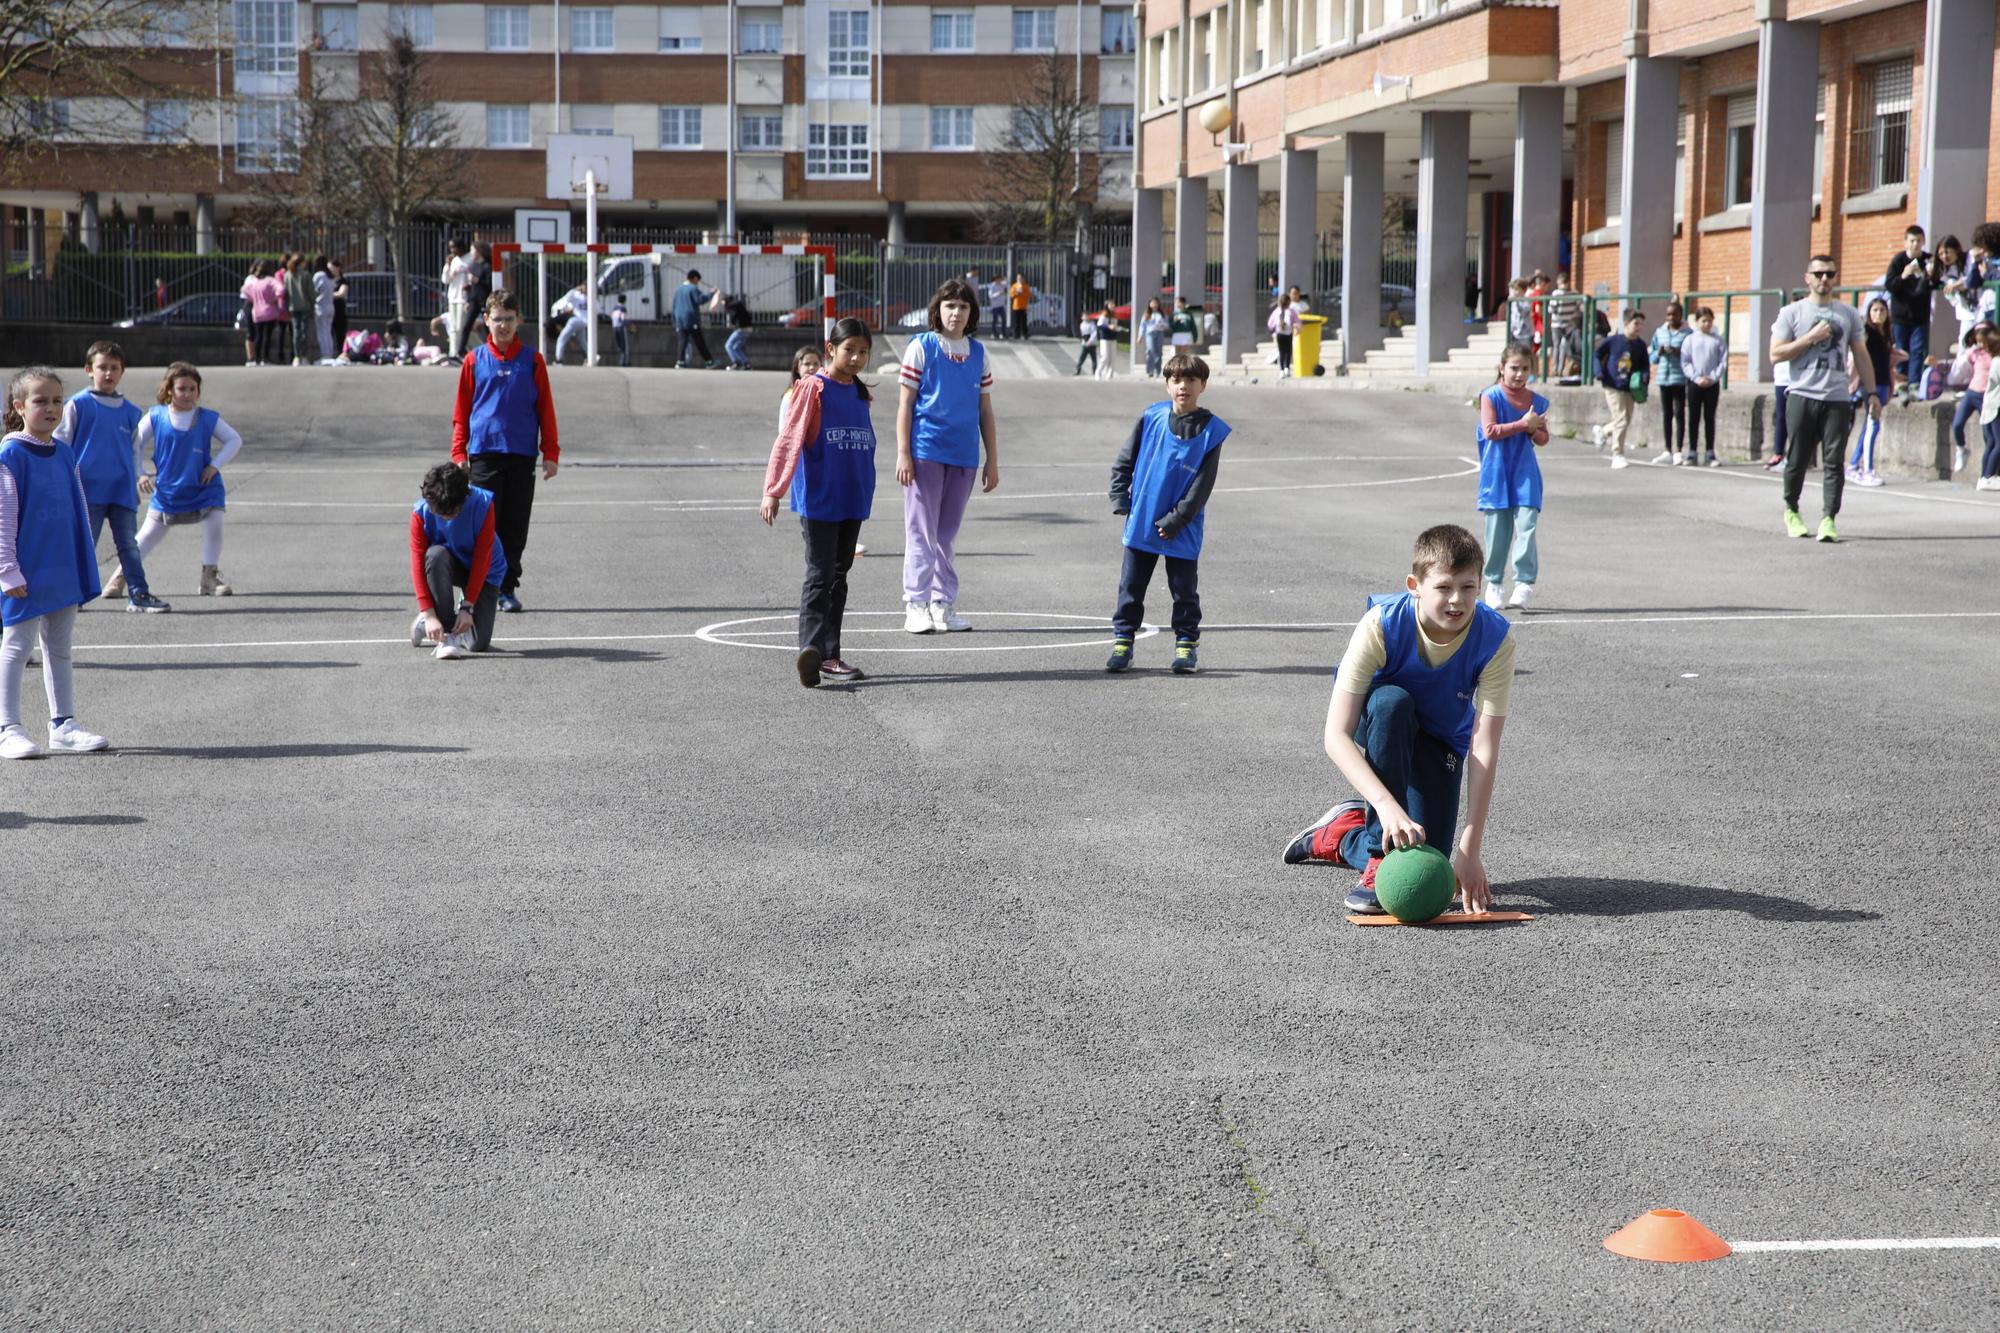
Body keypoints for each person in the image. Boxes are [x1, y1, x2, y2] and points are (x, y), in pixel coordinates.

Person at [1280, 524, 1515, 915]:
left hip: (1439, 737)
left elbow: (1484, 745)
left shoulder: (1495, 640)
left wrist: (1469, 850)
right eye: (1443, 587)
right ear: (1415, 585)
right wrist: (1387, 806)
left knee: (1429, 866)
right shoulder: (1381, 624)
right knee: (1393, 702)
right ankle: (1376, 854)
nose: (1457, 600)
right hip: (1380, 720)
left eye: (1468, 587)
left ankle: (1339, 835)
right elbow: (1335, 735)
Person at [0, 366, 111, 759]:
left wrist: (83, 562)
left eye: (57, 401)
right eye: (40, 401)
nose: (51, 408)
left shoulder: (64, 452)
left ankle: (63, 724)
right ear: (18, 406)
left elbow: (78, 511)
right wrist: (6, 569)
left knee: (59, 647)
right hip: (26, 570)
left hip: (62, 566)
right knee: (16, 646)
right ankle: (7, 728)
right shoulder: (10, 454)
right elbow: (3, 517)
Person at [761, 318, 877, 687]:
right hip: (820, 499)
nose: (857, 358)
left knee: (839, 577)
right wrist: (774, 489)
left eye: (863, 352)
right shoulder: (812, 388)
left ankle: (830, 655)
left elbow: (865, 444)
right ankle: (811, 651)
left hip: (851, 498)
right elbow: (790, 438)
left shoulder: (860, 393)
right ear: (830, 349)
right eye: (849, 350)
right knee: (819, 574)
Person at [1104, 352, 1227, 676]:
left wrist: (1177, 518)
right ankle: (1123, 641)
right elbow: (1124, 460)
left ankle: (1186, 644)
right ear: (1166, 385)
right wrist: (1120, 495)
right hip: (1143, 520)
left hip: (1181, 526)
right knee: (1131, 587)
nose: (1182, 386)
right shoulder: (1151, 417)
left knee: (1184, 589)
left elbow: (1202, 485)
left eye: (1190, 380)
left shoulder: (1211, 431)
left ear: (1203, 385)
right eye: (1175, 380)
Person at [896, 279, 998, 634]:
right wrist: (904, 453)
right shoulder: (922, 347)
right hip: (926, 451)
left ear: (972, 313)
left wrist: (992, 459)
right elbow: (905, 405)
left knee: (947, 534)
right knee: (921, 531)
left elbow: (985, 410)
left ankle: (942, 604)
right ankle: (916, 604)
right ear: (937, 310)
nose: (956, 312)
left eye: (963, 306)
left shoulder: (979, 353)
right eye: (950, 305)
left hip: (964, 455)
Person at [451, 291, 559, 613]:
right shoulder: (474, 361)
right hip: (485, 454)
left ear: (518, 321)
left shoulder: (533, 361)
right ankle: (473, 587)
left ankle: (506, 587)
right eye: (497, 319)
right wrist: (459, 452)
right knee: (483, 525)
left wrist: (550, 451)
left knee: (515, 525)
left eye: (509, 319)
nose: (503, 326)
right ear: (486, 320)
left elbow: (545, 409)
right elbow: (462, 411)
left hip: (521, 454)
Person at [54, 342, 168, 613]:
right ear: (89, 370)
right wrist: (63, 484)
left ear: (122, 372)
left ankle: (139, 593)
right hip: (86, 491)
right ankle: (74, 596)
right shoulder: (78, 405)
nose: (108, 373)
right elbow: (61, 444)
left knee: (129, 544)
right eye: (102, 367)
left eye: (113, 368)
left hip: (121, 491)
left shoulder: (130, 411)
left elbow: (133, 450)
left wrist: (136, 481)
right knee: (85, 545)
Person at [1771, 255, 1873, 542]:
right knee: (1798, 459)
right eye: (1818, 274)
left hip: (1837, 396)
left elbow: (1861, 355)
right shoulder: (1792, 313)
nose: (1824, 279)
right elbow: (1775, 353)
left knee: (1833, 461)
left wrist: (1872, 392)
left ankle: (1829, 518)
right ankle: (1791, 509)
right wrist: (1810, 338)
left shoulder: (1848, 314)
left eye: (1829, 274)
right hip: (1802, 393)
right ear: (1808, 278)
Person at [133, 362, 241, 597]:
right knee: (147, 536)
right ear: (170, 389)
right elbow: (133, 443)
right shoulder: (156, 416)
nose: (188, 394)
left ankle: (209, 578)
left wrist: (214, 466)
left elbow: (234, 440)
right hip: (169, 490)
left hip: (204, 487)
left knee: (215, 524)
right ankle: (122, 576)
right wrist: (140, 473)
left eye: (193, 389)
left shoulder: (206, 417)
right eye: (182, 388)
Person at [1476, 344, 1549, 611]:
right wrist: (1523, 424)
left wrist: (1534, 429)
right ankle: (1494, 583)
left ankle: (1524, 581)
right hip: (1497, 471)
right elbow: (1490, 430)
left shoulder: (1536, 401)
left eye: (1525, 369)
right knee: (1497, 532)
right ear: (1502, 368)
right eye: (1514, 368)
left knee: (1527, 526)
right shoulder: (1490, 396)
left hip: (1525, 471)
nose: (1519, 374)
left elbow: (1543, 438)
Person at [407, 460, 504, 660]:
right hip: (447, 562)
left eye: (451, 512)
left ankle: (448, 619)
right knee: (435, 555)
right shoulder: (420, 513)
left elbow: (482, 558)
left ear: (464, 499)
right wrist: (429, 613)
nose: (445, 517)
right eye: (440, 512)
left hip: (485, 568)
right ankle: (446, 635)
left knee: (478, 644)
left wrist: (468, 606)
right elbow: (418, 565)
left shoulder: (483, 505)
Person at [1882, 224, 1938, 405]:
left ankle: (1914, 383)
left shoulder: (1928, 260)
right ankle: (1901, 383)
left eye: (1919, 241)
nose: (1915, 245)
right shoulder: (1898, 261)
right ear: (1906, 242)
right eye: (1912, 241)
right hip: (1901, 316)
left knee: (1917, 349)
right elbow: (1890, 285)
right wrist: (1904, 276)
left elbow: (1937, 280)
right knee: (1901, 350)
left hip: (1920, 315)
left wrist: (1932, 274)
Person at [1846, 296, 1897, 488]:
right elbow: (1859, 348)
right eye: (1875, 310)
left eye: (1882, 310)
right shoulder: (1867, 331)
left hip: (1883, 384)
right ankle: (1867, 469)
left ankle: (1853, 464)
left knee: (1869, 427)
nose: (1878, 314)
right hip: (1871, 386)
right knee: (1872, 427)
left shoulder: (1886, 335)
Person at [1595, 309, 1647, 469]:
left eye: (1641, 325)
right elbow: (1597, 354)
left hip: (1630, 387)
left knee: (1625, 420)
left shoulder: (1640, 345)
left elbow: (1645, 364)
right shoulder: (1614, 341)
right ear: (1626, 323)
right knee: (1621, 419)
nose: (1638, 327)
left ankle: (1603, 432)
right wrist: (1599, 372)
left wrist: (1645, 378)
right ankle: (1617, 453)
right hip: (1612, 385)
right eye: (1635, 323)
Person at [1680, 306, 1725, 468]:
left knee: (1709, 417)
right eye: (1703, 321)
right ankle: (1692, 451)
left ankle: (1710, 451)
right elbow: (1685, 361)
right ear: (1697, 321)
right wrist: (1696, 377)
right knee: (1693, 417)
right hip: (1695, 383)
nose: (1706, 324)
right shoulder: (1690, 340)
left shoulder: (1718, 340)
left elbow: (1722, 362)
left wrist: (1712, 377)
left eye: (1709, 321)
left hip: (1712, 384)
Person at [1649, 302, 1690, 465]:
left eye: (1675, 314)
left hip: (1679, 379)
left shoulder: (1687, 333)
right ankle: (1667, 449)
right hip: (1663, 379)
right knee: (1666, 414)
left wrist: (1677, 352)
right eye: (1669, 315)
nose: (1671, 318)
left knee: (1679, 414)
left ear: (1681, 315)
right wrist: (1658, 353)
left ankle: (1678, 450)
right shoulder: (1660, 332)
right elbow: (1652, 356)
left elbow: (1690, 355)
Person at [1950, 320, 1992, 477]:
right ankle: (1961, 449)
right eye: (1978, 340)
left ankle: (1989, 472)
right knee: (1957, 424)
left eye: (1983, 340)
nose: (1980, 344)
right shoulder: (1974, 353)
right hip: (1972, 393)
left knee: (1989, 435)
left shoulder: (1995, 352)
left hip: (1987, 397)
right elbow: (1958, 372)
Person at [673, 269, 720, 369]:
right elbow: (700, 300)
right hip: (691, 318)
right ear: (694, 278)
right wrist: (711, 293)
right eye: (698, 280)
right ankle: (709, 361)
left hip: (679, 319)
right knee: (699, 341)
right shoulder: (693, 289)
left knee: (682, 341)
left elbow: (674, 305)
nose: (698, 283)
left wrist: (675, 319)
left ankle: (680, 362)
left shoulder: (678, 289)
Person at [244, 259, 283, 366]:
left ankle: (256, 358)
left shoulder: (254, 281)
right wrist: (274, 299)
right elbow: (281, 289)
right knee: (267, 335)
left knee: (258, 335)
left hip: (256, 312)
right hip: (269, 311)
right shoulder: (270, 280)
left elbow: (244, 290)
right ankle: (265, 358)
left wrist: (254, 299)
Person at [1547, 272, 1583, 381]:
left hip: (1559, 324)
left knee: (1558, 346)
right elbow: (1578, 307)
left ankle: (1557, 369)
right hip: (1566, 324)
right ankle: (1559, 369)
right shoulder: (1574, 293)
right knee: (1562, 346)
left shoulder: (1557, 294)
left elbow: (1551, 309)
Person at [1977, 325, 2000, 490]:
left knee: (1991, 442)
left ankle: (1984, 476)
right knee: (1998, 442)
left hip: (1990, 406)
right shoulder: (1998, 362)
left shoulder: (1994, 361)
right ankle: (1989, 475)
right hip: (1996, 406)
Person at [442, 239, 471, 362]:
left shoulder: (470, 259)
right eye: (451, 248)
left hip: (463, 298)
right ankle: (453, 353)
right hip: (452, 297)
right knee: (453, 327)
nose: (452, 250)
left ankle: (461, 352)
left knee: (461, 327)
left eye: (454, 247)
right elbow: (445, 280)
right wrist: (448, 266)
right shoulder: (453, 261)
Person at [284, 253, 314, 366]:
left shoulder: (287, 275)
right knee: (304, 331)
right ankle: (304, 356)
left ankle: (296, 356)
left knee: (296, 332)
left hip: (292, 307)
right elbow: (311, 293)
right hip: (305, 306)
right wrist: (313, 305)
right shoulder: (306, 275)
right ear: (301, 262)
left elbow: (285, 292)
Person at [551, 283, 591, 365]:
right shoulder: (591, 298)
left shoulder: (578, 296)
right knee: (583, 341)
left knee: (562, 338)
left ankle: (559, 360)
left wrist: (576, 289)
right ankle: (590, 357)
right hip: (584, 322)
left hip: (576, 320)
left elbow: (567, 298)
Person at [1269, 290, 1301, 376]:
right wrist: (1298, 328)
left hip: (1279, 333)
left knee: (1281, 351)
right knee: (1288, 351)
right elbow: (1297, 321)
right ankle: (1287, 368)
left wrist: (1272, 329)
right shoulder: (1291, 311)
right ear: (1289, 302)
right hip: (1288, 333)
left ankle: (1281, 370)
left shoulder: (1276, 311)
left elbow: (1270, 323)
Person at [312, 255, 337, 362]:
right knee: (328, 331)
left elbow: (314, 290)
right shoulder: (330, 276)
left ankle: (325, 356)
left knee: (322, 333)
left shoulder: (318, 275)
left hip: (320, 307)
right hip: (330, 305)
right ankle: (329, 354)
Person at [722, 290, 754, 370]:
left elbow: (733, 315)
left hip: (742, 329)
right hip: (749, 329)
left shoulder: (732, 305)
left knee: (728, 345)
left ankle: (736, 362)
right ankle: (746, 364)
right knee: (736, 348)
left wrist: (732, 323)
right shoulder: (738, 304)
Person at [1137, 297, 1168, 377]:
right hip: (1150, 333)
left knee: (1158, 352)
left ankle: (1157, 370)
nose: (1154, 305)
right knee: (1150, 351)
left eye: (1156, 303)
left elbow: (1167, 325)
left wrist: (1163, 325)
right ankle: (1150, 370)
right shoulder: (1146, 314)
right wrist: (1140, 336)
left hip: (1159, 333)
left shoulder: (1162, 314)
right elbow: (1142, 326)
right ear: (1149, 304)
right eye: (1152, 303)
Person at [1504, 278, 1533, 348]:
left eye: (1517, 289)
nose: (1514, 292)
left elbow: (1524, 311)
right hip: (1513, 331)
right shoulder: (1512, 301)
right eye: (1514, 289)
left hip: (1524, 333)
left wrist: (1517, 302)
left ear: (1523, 290)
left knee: (1524, 351)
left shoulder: (1526, 300)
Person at [328, 259, 349, 355]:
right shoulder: (328, 281)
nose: (329, 270)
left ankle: (341, 354)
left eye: (331, 268)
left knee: (340, 335)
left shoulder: (343, 281)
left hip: (339, 312)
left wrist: (328, 294)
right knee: (328, 335)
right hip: (329, 311)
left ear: (338, 268)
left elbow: (341, 293)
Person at [1074, 308, 1103, 376]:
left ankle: (1094, 371)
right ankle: (1078, 369)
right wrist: (1084, 340)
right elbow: (1082, 334)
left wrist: (1090, 341)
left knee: (1094, 358)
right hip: (1085, 344)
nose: (1086, 317)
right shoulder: (1082, 324)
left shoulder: (1092, 324)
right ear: (1082, 318)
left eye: (1087, 316)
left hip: (1092, 344)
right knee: (1081, 357)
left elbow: (1094, 333)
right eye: (1084, 316)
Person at [1008, 272, 1032, 342]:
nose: (1019, 279)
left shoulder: (1026, 286)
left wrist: (1022, 293)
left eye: (1021, 278)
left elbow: (1029, 295)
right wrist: (1016, 293)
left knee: (1024, 321)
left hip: (1023, 307)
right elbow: (1011, 295)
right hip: (1016, 307)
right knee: (1016, 322)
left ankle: (1025, 334)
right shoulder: (1014, 286)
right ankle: (1016, 335)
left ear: (1023, 279)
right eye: (1018, 278)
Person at [611, 296, 630, 368]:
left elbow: (612, 317)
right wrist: (628, 325)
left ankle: (621, 361)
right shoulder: (623, 308)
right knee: (624, 346)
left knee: (619, 345)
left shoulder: (614, 308)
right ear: (624, 300)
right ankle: (624, 362)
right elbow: (623, 318)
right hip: (621, 328)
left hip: (615, 327)